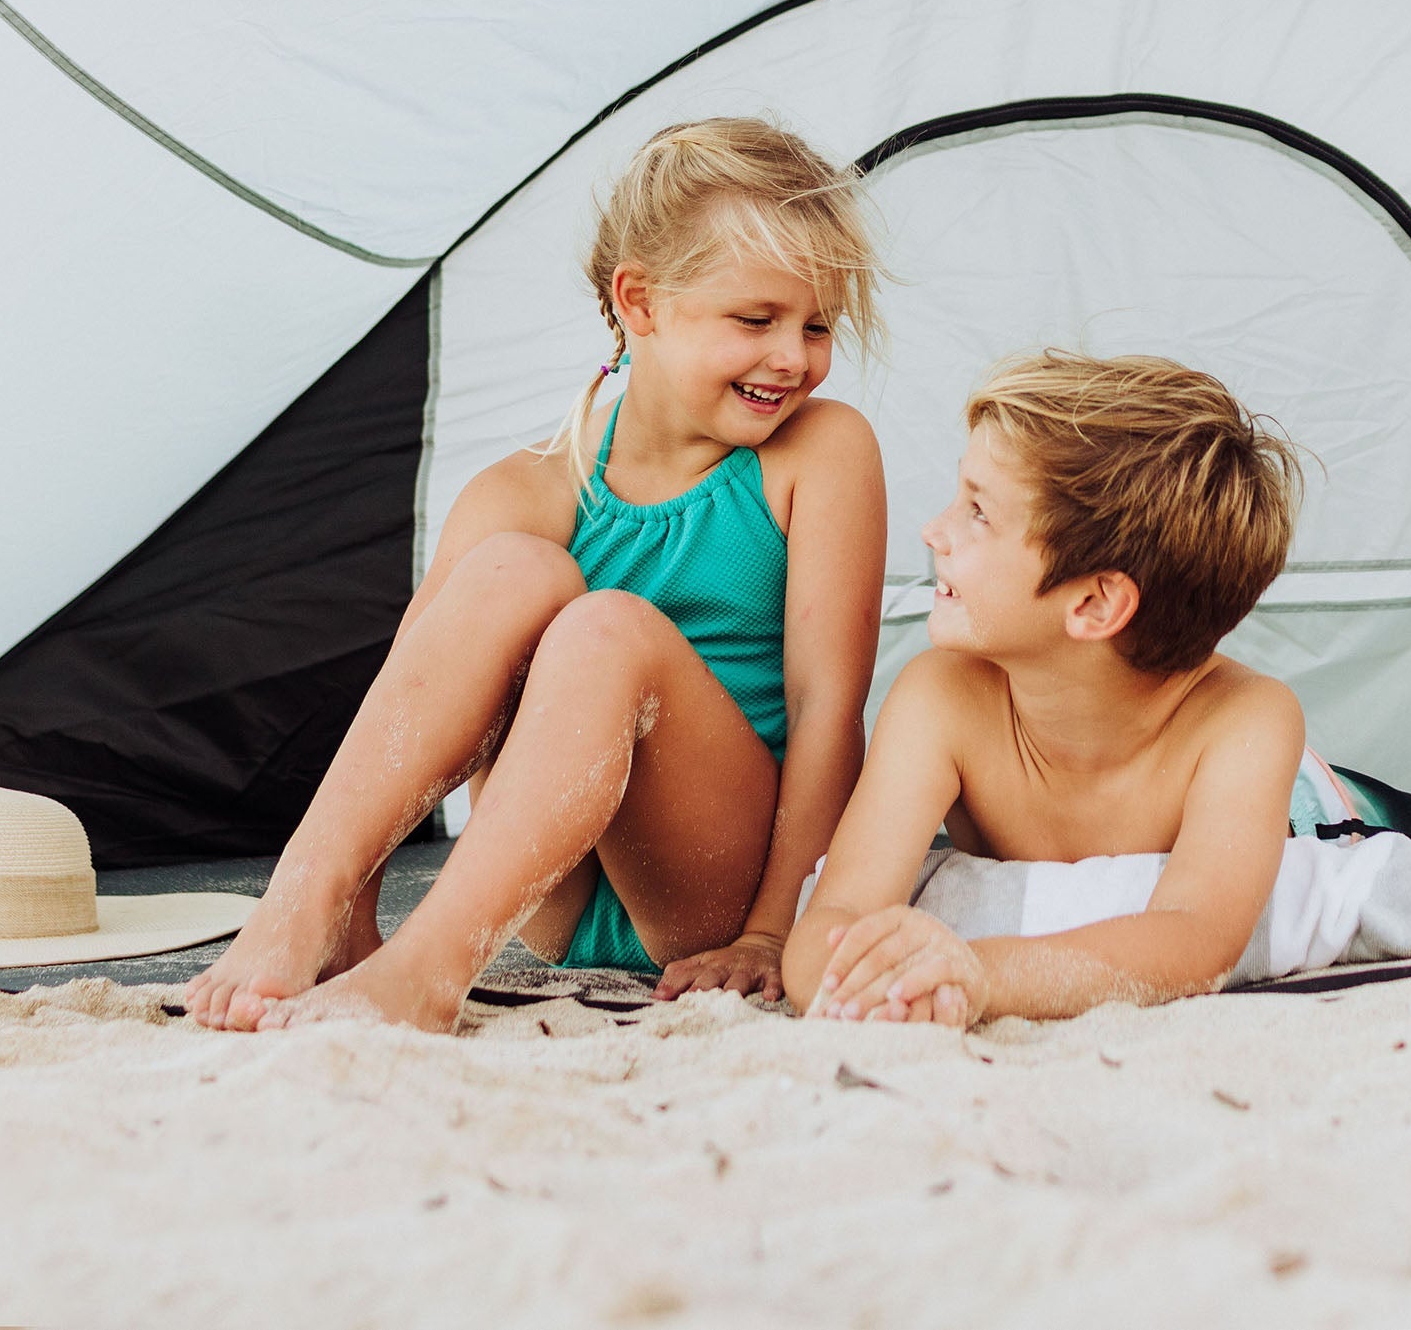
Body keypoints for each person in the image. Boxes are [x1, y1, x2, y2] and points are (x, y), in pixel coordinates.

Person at [182, 118, 887, 1032]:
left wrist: (769, 928)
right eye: (756, 320)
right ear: (640, 302)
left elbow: (831, 706)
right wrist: (353, 893)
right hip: (547, 889)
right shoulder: (528, 488)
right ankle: (311, 898)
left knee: (608, 628)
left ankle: (429, 971)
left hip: (715, 882)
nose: (794, 356)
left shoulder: (818, 453)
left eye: (817, 325)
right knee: (513, 566)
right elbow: (411, 723)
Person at [791, 351, 1411, 1026]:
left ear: (1094, 603)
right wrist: (843, 971)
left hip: (1300, 809)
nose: (933, 528)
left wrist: (983, 973)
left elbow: (1196, 938)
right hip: (1212, 794)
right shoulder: (941, 698)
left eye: (977, 510)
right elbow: (831, 914)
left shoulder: (1245, 719)